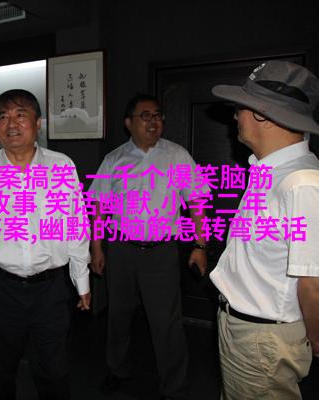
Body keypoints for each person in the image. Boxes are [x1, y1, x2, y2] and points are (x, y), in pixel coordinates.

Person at [0, 89, 91, 400]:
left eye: (20, 115)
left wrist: (80, 279)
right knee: (0, 369)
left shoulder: (61, 166)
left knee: (54, 370)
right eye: (3, 116)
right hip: (0, 288)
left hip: (51, 288)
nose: (11, 123)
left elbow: (76, 224)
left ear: (38, 123)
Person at [209, 60, 319, 399]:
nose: (235, 116)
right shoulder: (268, 171)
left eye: (240, 107)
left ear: (261, 114)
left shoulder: (301, 183)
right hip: (246, 330)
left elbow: (313, 284)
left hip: (262, 340)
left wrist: (314, 340)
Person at [89, 93, 208, 400]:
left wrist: (200, 245)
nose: (153, 121)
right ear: (128, 123)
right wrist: (97, 248)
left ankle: (174, 386)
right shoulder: (113, 159)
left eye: (157, 115)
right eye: (145, 116)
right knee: (118, 316)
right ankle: (117, 370)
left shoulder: (177, 156)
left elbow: (196, 202)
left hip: (162, 253)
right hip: (121, 250)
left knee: (166, 322)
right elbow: (99, 207)